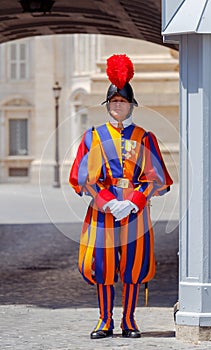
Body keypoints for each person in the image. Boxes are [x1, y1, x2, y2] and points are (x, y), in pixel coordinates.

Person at [69, 54, 173, 339]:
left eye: (122, 102)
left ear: (130, 106)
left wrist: (132, 202)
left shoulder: (144, 137)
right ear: (108, 106)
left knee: (133, 265)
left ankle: (129, 320)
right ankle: (105, 320)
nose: (118, 106)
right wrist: (110, 202)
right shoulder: (93, 136)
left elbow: (156, 178)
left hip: (135, 211)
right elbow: (83, 178)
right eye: (114, 102)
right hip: (103, 211)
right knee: (103, 265)